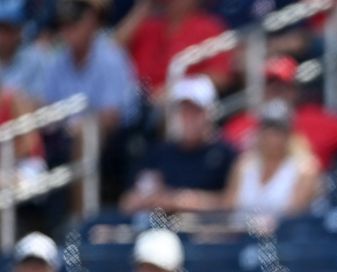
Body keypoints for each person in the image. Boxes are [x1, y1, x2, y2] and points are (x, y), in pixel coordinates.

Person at [223, 56, 337, 170]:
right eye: (270, 86)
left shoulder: (316, 118)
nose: (275, 92)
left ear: (295, 90)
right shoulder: (241, 123)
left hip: (304, 197)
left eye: (282, 87)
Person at [120, 77, 236, 215]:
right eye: (183, 112)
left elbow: (232, 202)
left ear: (210, 113)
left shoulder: (226, 154)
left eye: (195, 112)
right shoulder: (159, 153)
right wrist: (153, 199)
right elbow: (127, 202)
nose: (188, 119)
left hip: (205, 231)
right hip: (159, 228)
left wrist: (185, 201)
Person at [39, 0, 139, 135]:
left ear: (92, 22)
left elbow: (111, 117)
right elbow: (47, 108)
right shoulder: (57, 60)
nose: (68, 31)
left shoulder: (110, 57)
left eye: (74, 24)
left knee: (87, 131)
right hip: (66, 138)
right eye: (64, 25)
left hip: (116, 140)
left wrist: (78, 126)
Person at [226, 100, 322, 225]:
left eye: (278, 130)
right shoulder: (243, 165)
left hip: (284, 241)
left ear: (289, 134)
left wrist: (260, 224)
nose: (272, 136)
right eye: (267, 129)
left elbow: (294, 213)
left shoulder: (305, 169)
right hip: (238, 238)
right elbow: (228, 206)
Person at [119, 0, 234, 96]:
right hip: (136, 100)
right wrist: (144, 7)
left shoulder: (209, 27)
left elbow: (220, 77)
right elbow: (110, 54)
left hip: (178, 107)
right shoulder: (148, 26)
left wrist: (177, 89)